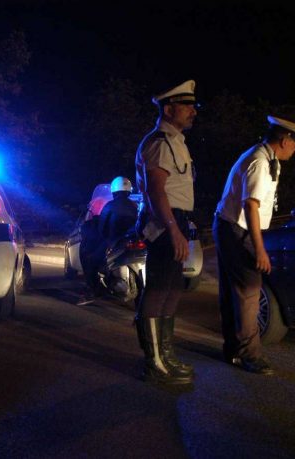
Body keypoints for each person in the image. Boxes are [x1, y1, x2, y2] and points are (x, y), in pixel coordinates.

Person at [214, 115, 295, 375]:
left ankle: (234, 349)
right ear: (284, 139)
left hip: (229, 227)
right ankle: (250, 355)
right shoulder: (259, 161)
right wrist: (259, 249)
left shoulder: (266, 158)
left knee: (235, 292)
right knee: (249, 293)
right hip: (237, 230)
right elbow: (251, 205)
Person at [134, 80, 198, 384]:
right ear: (169, 108)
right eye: (187, 106)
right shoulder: (159, 142)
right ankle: (154, 362)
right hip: (163, 223)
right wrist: (173, 229)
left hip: (176, 220)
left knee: (173, 288)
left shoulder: (176, 141)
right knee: (158, 289)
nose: (193, 112)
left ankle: (166, 355)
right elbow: (157, 191)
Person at [98, 176, 139, 245]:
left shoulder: (109, 206)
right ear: (128, 192)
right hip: (132, 242)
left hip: (114, 244)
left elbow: (102, 229)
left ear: (113, 191)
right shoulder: (135, 205)